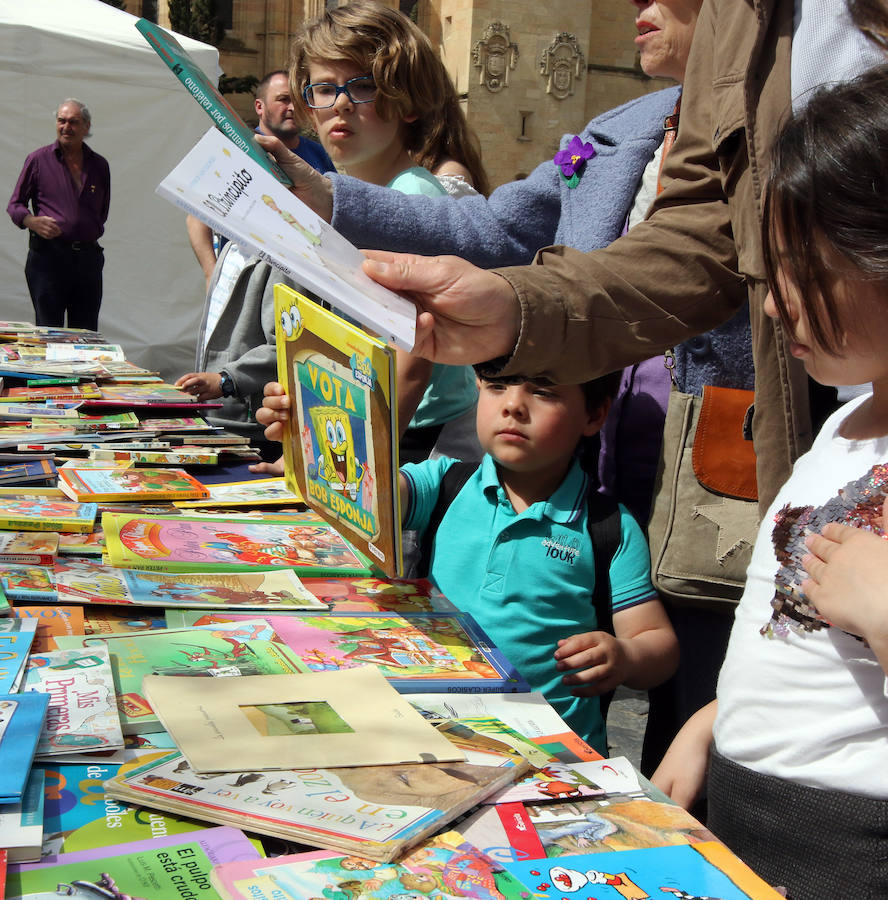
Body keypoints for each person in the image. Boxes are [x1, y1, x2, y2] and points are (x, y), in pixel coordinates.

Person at [651, 67, 888, 898]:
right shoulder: (846, 424)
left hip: (849, 853)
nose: (776, 302)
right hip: (754, 823)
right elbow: (801, 641)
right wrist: (714, 728)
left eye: (804, 268)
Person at [258, 371, 679, 754]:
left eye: (544, 391)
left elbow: (657, 642)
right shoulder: (443, 481)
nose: (513, 405)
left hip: (554, 758)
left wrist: (625, 656)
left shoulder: (609, 526)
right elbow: (365, 493)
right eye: (498, 386)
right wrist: (308, 430)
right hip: (433, 736)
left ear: (595, 415)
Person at [286, 0, 488, 471]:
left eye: (362, 87)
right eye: (324, 89)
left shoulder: (413, 195)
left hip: (417, 444)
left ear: (408, 102)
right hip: (365, 424)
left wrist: (351, 463)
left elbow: (413, 360)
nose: (339, 103)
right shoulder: (345, 201)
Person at [185, 70, 335, 286]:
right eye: (283, 100)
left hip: (310, 280)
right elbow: (197, 217)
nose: (292, 108)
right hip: (249, 281)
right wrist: (212, 275)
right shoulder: (238, 148)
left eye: (297, 100)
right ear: (259, 107)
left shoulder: (319, 153)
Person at [7, 99, 110, 331]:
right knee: (48, 331)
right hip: (48, 258)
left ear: (87, 127)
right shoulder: (38, 160)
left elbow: (102, 211)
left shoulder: (99, 166)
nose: (66, 127)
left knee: (85, 333)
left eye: (73, 122)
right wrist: (31, 221)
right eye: (61, 121)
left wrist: (81, 228)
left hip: (87, 260)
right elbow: (15, 205)